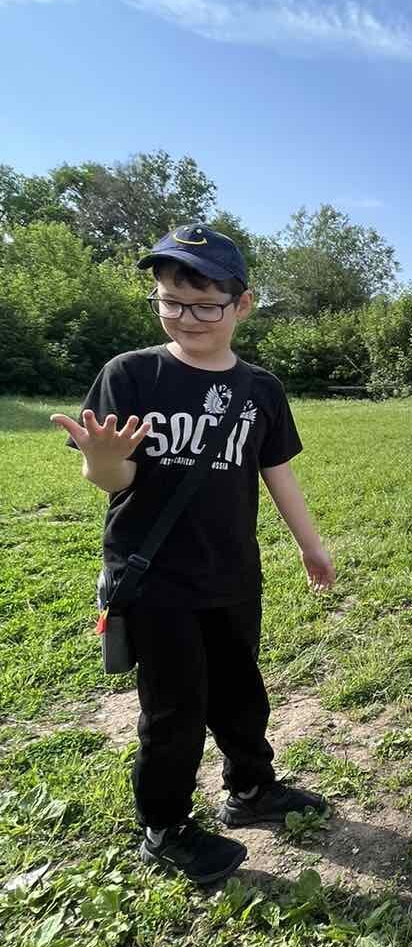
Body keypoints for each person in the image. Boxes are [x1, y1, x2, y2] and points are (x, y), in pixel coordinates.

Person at [51, 223, 335, 886]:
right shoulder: (132, 374)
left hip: (233, 574)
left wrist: (310, 545)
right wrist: (102, 465)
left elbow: (277, 471)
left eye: (205, 303)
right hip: (155, 582)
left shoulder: (261, 389)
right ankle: (165, 827)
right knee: (174, 709)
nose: (186, 316)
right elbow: (115, 483)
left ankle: (252, 790)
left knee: (242, 693)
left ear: (242, 304)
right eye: (170, 300)